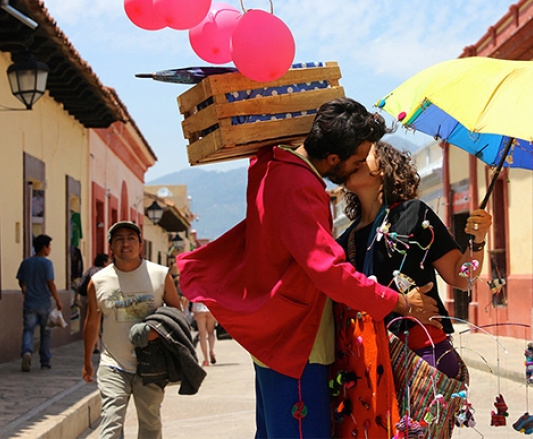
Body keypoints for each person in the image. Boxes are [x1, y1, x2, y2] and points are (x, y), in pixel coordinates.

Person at [178, 98, 440, 439]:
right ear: (333, 159)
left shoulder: (270, 163)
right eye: (357, 160)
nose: (360, 166)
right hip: (298, 340)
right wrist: (401, 303)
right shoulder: (299, 185)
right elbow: (328, 271)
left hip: (277, 334)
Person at [334, 141, 492, 437]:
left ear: (384, 167)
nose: (354, 158)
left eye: (364, 153)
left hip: (424, 354)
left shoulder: (413, 213)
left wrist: (479, 241)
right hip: (370, 360)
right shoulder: (346, 241)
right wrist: (400, 302)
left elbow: (461, 277)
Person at [82, 221, 181, 439]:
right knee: (110, 423)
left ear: (139, 245)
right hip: (113, 364)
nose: (125, 243)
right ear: (110, 246)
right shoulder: (98, 282)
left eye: (130, 238)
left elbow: (177, 312)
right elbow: (91, 323)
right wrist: (88, 360)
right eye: (119, 239)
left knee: (150, 424)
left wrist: (159, 332)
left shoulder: (160, 275)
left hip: (151, 364)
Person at [16, 234, 63, 372]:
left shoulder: (26, 262)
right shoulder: (47, 263)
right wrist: (58, 300)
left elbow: (21, 280)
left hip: (30, 303)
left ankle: (26, 351)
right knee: (46, 333)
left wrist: (24, 288)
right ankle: (45, 360)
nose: (50, 249)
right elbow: (50, 283)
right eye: (49, 246)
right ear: (44, 247)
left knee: (28, 329)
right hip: (44, 303)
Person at [77, 253, 109, 352]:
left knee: (89, 320)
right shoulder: (106, 272)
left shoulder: (90, 270)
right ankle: (100, 344)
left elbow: (81, 284)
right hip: (101, 299)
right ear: (104, 262)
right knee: (101, 322)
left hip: (86, 298)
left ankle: (95, 344)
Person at [191, 300, 216, 366]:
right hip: (211, 308)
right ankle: (211, 350)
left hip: (198, 308)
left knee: (202, 335)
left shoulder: (196, 289)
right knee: (211, 332)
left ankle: (206, 359)